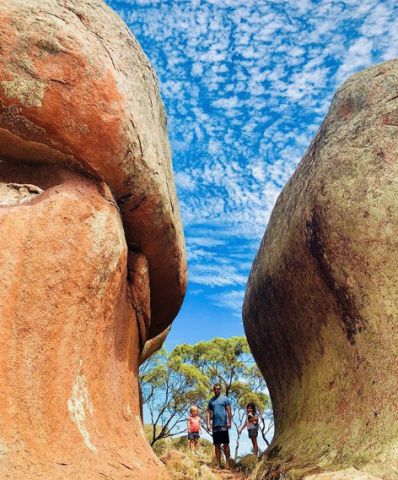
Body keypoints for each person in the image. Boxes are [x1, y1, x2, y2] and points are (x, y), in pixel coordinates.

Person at [207, 383, 232, 469]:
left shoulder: (225, 399)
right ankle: (218, 464)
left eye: (218, 389)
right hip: (215, 426)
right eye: (215, 389)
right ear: (213, 390)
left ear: (220, 390)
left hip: (224, 425)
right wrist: (208, 424)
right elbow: (208, 413)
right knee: (217, 445)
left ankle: (228, 464)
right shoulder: (211, 401)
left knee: (226, 444)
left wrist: (229, 422)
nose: (217, 390)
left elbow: (229, 411)